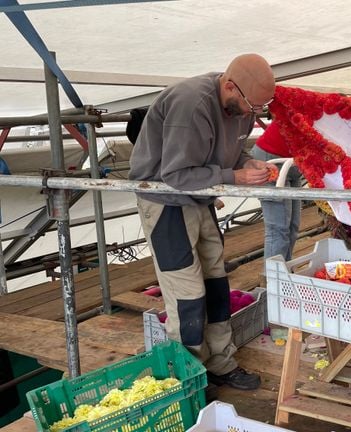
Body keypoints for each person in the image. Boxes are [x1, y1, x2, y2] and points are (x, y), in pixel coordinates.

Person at [128, 53, 277, 390]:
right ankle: (188, 378)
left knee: (216, 284)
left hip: (200, 198)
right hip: (167, 203)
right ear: (229, 86)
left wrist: (248, 163)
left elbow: (231, 152)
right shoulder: (191, 104)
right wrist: (234, 176)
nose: (253, 116)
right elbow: (176, 174)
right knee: (187, 295)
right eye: (251, 107)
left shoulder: (239, 106)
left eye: (258, 110)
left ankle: (221, 363)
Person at [250, 145, 303, 261]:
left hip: (292, 164)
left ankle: (285, 269)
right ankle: (273, 276)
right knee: (278, 229)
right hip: (271, 163)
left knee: (293, 226)